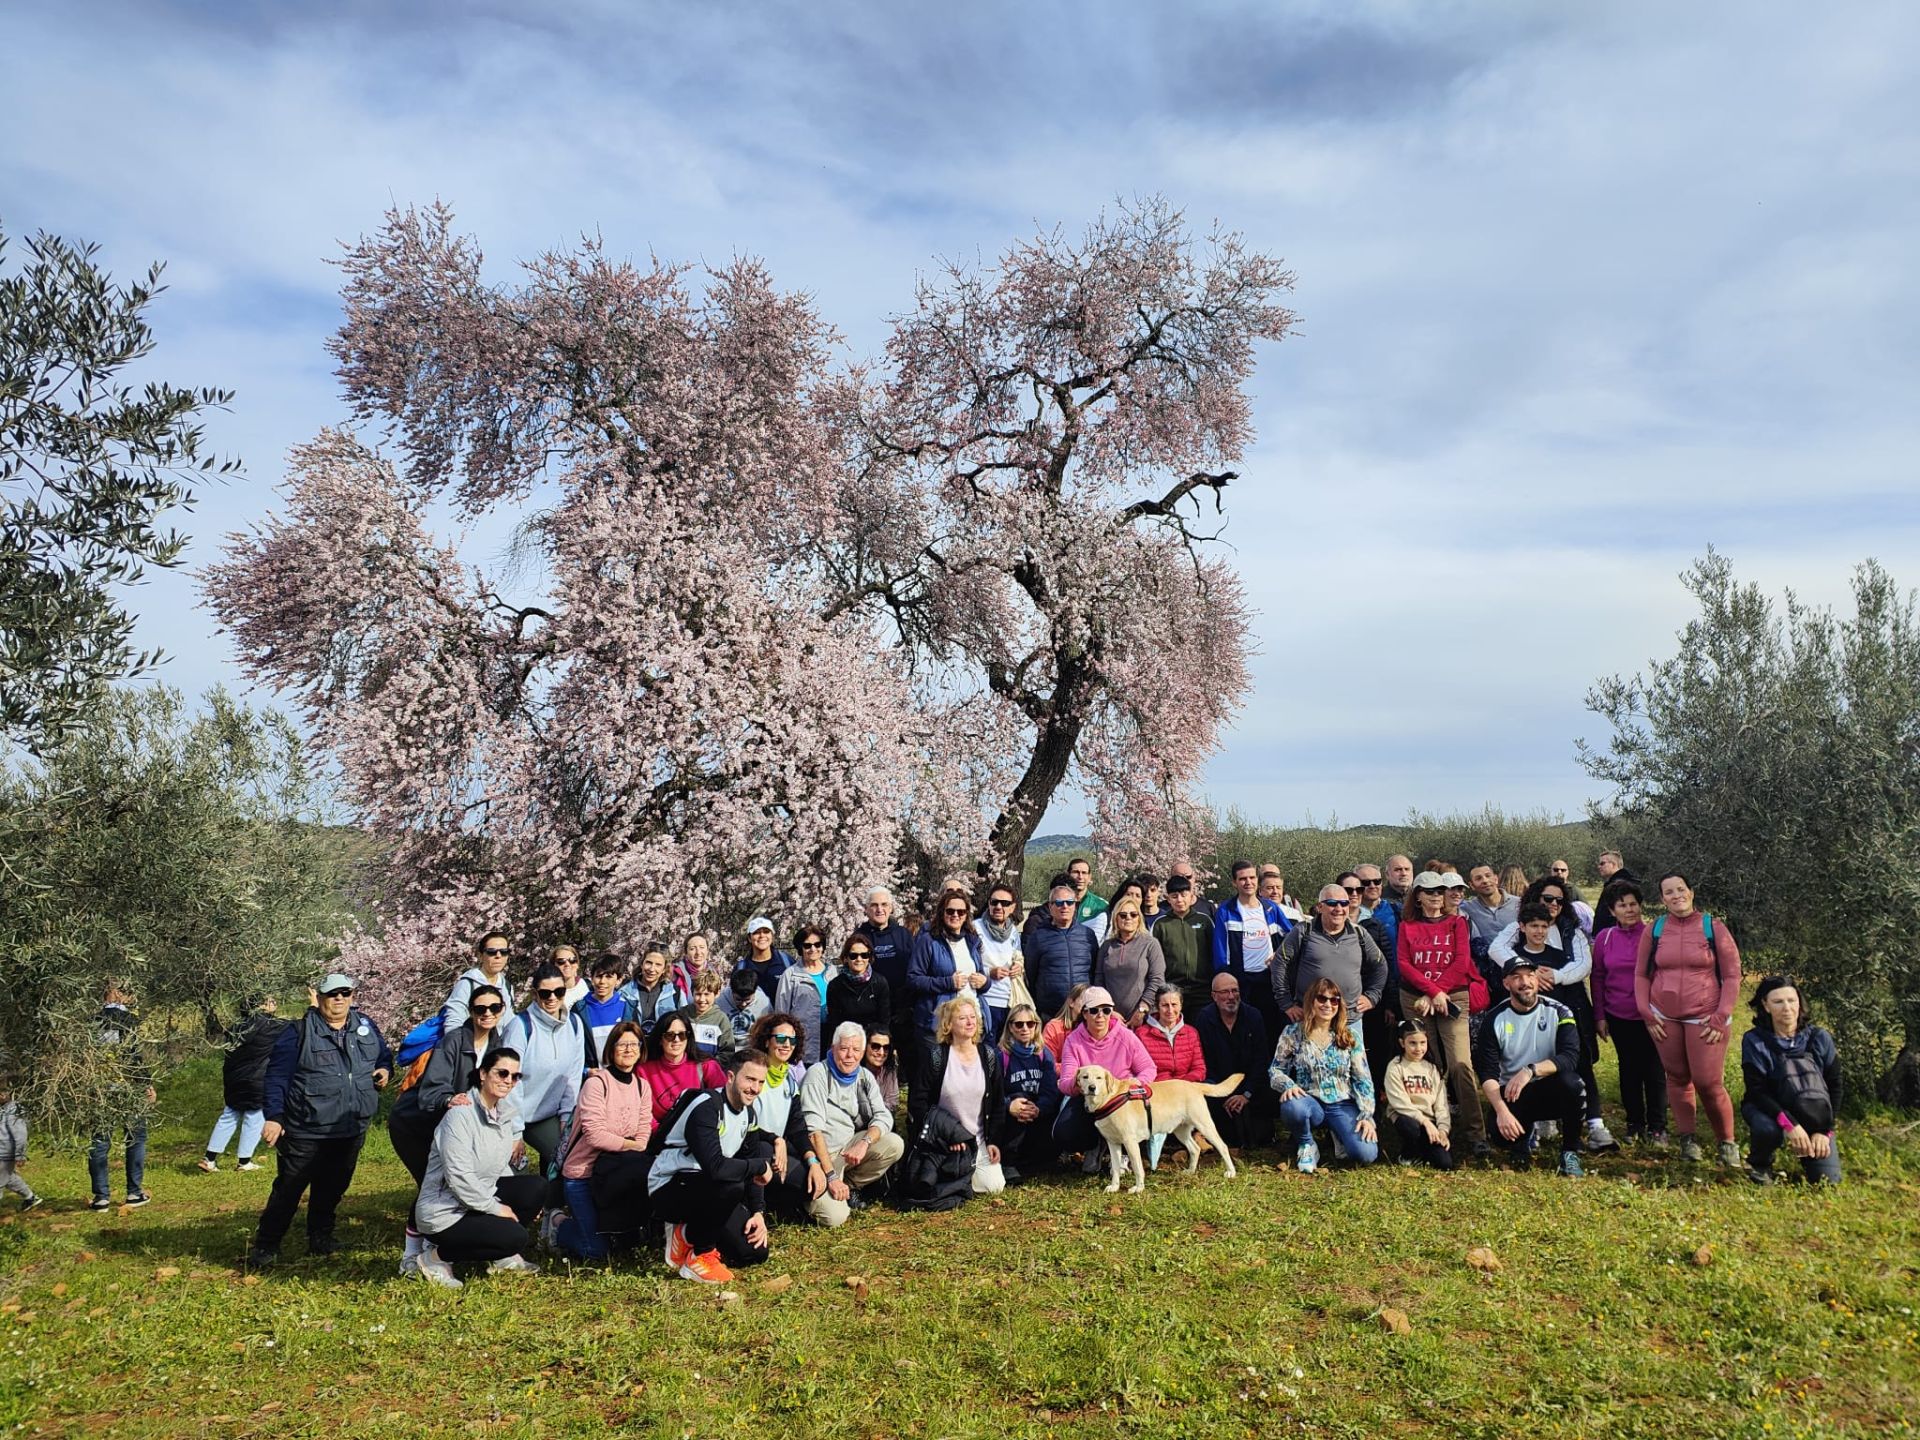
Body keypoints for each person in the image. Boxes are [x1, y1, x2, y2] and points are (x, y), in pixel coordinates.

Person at [251, 973, 393, 1266]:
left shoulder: (365, 1025)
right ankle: (266, 1245)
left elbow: (383, 1055)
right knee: (289, 1189)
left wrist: (384, 1070)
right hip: (306, 1129)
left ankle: (321, 1237)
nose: (339, 998)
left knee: (333, 1186)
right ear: (319, 997)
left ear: (352, 996)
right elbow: (277, 1076)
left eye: (345, 992)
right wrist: (274, 1117)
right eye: (332, 994)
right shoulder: (298, 1032)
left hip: (352, 1126)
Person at [387, 981, 506, 1276]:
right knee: (431, 1186)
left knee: (458, 1184)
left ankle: (440, 1248)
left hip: (453, 1127)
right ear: (471, 1011)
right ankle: (412, 1255)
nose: (487, 1014)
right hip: (416, 1123)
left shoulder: (496, 1044)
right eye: (480, 1009)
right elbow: (430, 1092)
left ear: (502, 1011)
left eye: (494, 1008)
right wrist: (449, 1098)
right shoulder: (452, 1041)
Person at [1635, 872, 1743, 1168]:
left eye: (1680, 889)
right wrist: (1646, 1011)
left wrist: (1721, 1016)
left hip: (1706, 1017)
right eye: (1668, 892)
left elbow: (1733, 976)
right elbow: (1641, 974)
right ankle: (1688, 1140)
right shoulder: (1654, 930)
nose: (1676, 895)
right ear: (1662, 899)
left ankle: (1727, 1142)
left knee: (1709, 1083)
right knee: (1678, 1078)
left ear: (1691, 893)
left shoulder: (1713, 927)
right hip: (1664, 1017)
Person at [411, 1048, 544, 1287]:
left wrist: (510, 1204)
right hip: (444, 1210)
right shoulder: (460, 1115)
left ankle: (497, 1254)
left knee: (535, 1188)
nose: (508, 1081)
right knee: (515, 1237)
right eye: (502, 1073)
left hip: (476, 1199)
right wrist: (496, 1208)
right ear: (483, 1074)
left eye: (515, 1076)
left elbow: (497, 1166)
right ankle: (435, 1258)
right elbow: (458, 1176)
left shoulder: (502, 1114)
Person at [1500, 890, 1616, 1153]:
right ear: (1522, 928)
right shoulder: (1514, 956)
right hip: (1526, 1025)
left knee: (1576, 1066)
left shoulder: (1560, 956)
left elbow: (1573, 982)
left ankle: (1589, 1124)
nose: (1539, 931)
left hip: (1561, 1021)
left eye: (1544, 926)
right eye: (1534, 926)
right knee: (1530, 1067)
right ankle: (1535, 1124)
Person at [648, 1049, 775, 1285]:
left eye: (760, 1082)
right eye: (749, 1079)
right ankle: (699, 1256)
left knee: (753, 1252)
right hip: (670, 1186)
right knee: (731, 1183)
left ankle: (685, 1235)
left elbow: (751, 1165)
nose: (755, 1088)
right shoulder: (707, 1106)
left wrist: (758, 1211)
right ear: (730, 1077)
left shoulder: (749, 1114)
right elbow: (716, 1167)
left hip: (711, 1188)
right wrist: (759, 1165)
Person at [1396, 872, 1489, 1157]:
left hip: (1452, 997)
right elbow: (1404, 963)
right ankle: (1431, 1129)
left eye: (1441, 890)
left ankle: (1476, 1133)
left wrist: (1437, 993)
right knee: (1427, 1063)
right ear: (1419, 895)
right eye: (1430, 890)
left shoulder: (1457, 923)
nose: (1437, 895)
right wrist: (1429, 992)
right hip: (1415, 998)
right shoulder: (1407, 926)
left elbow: (1462, 961)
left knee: (1460, 1063)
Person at [1473, 955, 1587, 1178]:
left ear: (1537, 979)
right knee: (1500, 1136)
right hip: (1514, 1094)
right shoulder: (1494, 1019)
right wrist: (1501, 1112)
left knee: (1573, 1084)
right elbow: (1487, 1073)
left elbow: (1570, 1057)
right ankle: (1521, 1141)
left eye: (1530, 975)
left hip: (1550, 1088)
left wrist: (1530, 1070)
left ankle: (1570, 1152)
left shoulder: (1559, 1011)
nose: (1524, 982)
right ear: (1506, 983)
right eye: (1516, 977)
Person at [553, 1020, 653, 1261]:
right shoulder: (596, 1084)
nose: (628, 1050)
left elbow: (643, 1130)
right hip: (583, 1175)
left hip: (615, 1173)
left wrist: (636, 1144)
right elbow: (594, 1134)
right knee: (596, 1251)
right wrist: (632, 1145)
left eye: (634, 1044)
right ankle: (559, 1224)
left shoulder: (642, 1087)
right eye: (622, 1044)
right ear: (611, 1048)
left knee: (624, 1244)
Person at [798, 1022, 907, 1223]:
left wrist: (864, 1142)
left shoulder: (864, 1076)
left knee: (894, 1143)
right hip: (822, 1156)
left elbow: (884, 1116)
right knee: (836, 1218)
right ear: (833, 1049)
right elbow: (813, 1132)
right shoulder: (818, 1074)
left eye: (856, 1050)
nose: (850, 1055)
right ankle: (811, 1197)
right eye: (844, 1049)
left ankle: (850, 1183)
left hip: (848, 1149)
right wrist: (830, 1175)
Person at [1270, 978, 1379, 1173]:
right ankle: (1306, 1144)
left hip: (1342, 1104)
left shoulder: (1349, 1036)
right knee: (1292, 1105)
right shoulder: (1293, 1032)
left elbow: (1363, 1080)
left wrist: (1366, 1115)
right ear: (1311, 1001)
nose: (1328, 1004)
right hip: (1309, 1102)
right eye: (1322, 998)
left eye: (1334, 1000)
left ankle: (1339, 1136)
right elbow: (1275, 1070)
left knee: (1366, 1154)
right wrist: (1288, 1085)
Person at [1741, 977, 1842, 1185]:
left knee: (1826, 1181)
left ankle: (1811, 1154)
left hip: (1813, 1113)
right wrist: (1791, 1125)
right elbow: (1757, 1091)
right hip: (1770, 1109)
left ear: (1800, 1003)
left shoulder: (1820, 1038)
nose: (1787, 1008)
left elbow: (1835, 1086)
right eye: (1778, 1002)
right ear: (1765, 1006)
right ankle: (1761, 1164)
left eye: (1791, 1000)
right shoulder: (1755, 1040)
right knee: (1766, 1129)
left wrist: (1824, 1130)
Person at [902, 998, 1005, 1204]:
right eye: (962, 1018)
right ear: (948, 1025)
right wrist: (947, 1136)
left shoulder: (989, 1056)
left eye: (972, 1017)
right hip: (944, 1142)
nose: (970, 1022)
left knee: (993, 1186)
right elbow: (919, 1102)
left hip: (978, 1140)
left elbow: (997, 1104)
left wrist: (993, 1141)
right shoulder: (936, 1057)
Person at [1590, 881, 1667, 1146]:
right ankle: (1634, 1123)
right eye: (1622, 905)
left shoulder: (1654, 935)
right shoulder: (1604, 938)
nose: (1629, 909)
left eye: (1633, 904)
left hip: (1653, 1016)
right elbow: (1598, 977)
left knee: (1654, 1071)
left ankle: (1658, 1128)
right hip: (1618, 1015)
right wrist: (1599, 1015)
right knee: (1629, 1071)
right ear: (1612, 910)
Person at [1051, 985, 1157, 1172]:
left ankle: (1125, 1154)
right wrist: (1081, 1084)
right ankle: (1095, 1146)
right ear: (1084, 1014)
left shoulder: (1126, 1036)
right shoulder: (1073, 1040)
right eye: (1094, 1010)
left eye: (1106, 1010)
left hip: (1121, 1097)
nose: (1100, 1015)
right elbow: (1066, 1081)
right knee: (1063, 1134)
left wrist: (1135, 1085)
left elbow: (1148, 1068)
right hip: (1088, 1098)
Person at [512, 963, 587, 1175]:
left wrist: (566, 1118)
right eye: (545, 993)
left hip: (545, 1114)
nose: (552, 998)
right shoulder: (520, 1026)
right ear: (535, 994)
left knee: (567, 1156)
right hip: (512, 1114)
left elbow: (572, 1076)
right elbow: (510, 1082)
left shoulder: (574, 1024)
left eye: (559, 992)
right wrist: (514, 1133)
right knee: (518, 1174)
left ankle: (553, 1205)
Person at [200, 995, 288, 1174]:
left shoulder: (236, 1027)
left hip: (233, 1079)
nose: (275, 1004)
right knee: (254, 1118)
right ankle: (244, 1161)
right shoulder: (271, 1026)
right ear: (260, 1006)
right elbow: (299, 1026)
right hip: (257, 1080)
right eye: (270, 1001)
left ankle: (209, 1159)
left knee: (229, 1115)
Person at [1275, 885, 1387, 1025]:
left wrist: (1372, 996)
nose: (1339, 909)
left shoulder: (1360, 934)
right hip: (1310, 1018)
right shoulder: (1303, 931)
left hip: (1350, 1020)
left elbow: (1380, 964)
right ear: (1320, 907)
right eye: (1332, 903)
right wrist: (1286, 1003)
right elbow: (1279, 962)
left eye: (1344, 903)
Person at [88, 981, 155, 1210]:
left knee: (99, 1142)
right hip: (128, 1087)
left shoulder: (92, 1021)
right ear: (116, 994)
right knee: (135, 1139)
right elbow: (133, 1054)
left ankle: (101, 1197)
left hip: (100, 1089)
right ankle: (134, 1193)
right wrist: (146, 1083)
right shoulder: (127, 1020)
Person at [1213, 859, 1292, 1040]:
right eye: (1242, 879)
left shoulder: (1270, 908)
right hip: (1241, 981)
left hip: (1268, 979)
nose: (1248, 882)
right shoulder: (1226, 910)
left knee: (1271, 1028)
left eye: (1252, 877)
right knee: (1244, 1031)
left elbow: (1292, 937)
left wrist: (1279, 956)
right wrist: (1225, 980)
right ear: (1234, 882)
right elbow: (1220, 949)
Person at [908, 888, 988, 1061]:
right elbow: (913, 979)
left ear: (967, 914)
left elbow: (981, 975)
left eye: (961, 911)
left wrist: (984, 982)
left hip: (969, 1023)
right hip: (938, 1024)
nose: (955, 915)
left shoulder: (972, 941)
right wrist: (947, 983)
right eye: (950, 911)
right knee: (937, 1080)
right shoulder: (928, 941)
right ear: (942, 913)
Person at [1194, 973, 1272, 1148]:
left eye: (1234, 991)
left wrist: (1246, 1094)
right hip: (1220, 1089)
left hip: (1250, 1089)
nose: (1231, 996)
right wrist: (1225, 1093)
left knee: (1261, 1133)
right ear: (1214, 996)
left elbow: (1262, 1060)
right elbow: (1205, 1062)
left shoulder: (1254, 1016)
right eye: (1224, 992)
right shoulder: (1204, 1019)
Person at [855, 886, 916, 1075]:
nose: (879, 909)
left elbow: (914, 969)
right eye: (874, 905)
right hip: (872, 1011)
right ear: (866, 909)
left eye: (884, 905)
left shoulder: (903, 935)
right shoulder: (860, 936)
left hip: (902, 1010)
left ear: (891, 908)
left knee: (907, 1064)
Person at [997, 1004, 1059, 1180]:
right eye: (1019, 1024)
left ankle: (1037, 1159)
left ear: (1036, 1026)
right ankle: (1008, 1162)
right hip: (1011, 1114)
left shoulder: (1044, 1054)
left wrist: (1038, 1108)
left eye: (1030, 1024)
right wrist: (1010, 1105)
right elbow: (992, 1095)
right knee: (1020, 1099)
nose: (1025, 1028)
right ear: (1010, 1027)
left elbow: (1050, 1092)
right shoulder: (1001, 1056)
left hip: (1037, 1112)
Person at [1383, 1022, 1453, 1169]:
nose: (1418, 1048)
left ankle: (1423, 1150)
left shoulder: (1432, 1068)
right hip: (1406, 1117)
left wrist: (1442, 1130)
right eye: (1412, 1043)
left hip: (1430, 1120)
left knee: (1444, 1163)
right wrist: (1424, 1122)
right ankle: (1408, 1154)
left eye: (1422, 1043)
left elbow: (1441, 1104)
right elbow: (1400, 1103)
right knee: (1411, 1128)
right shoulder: (1395, 1067)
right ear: (1402, 1043)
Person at [1093, 896, 1166, 1028]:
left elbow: (1157, 980)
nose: (1128, 918)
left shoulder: (1150, 944)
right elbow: (1099, 980)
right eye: (1123, 915)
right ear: (1116, 918)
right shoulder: (1106, 946)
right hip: (1111, 1018)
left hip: (1144, 1018)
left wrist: (1142, 1009)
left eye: (1133, 914)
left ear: (1139, 918)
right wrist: (1109, 1010)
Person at [1028, 883, 1097, 1020]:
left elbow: (1094, 969)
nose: (1065, 906)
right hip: (1051, 1013)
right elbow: (1031, 973)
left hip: (1084, 1011)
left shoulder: (1087, 935)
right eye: (1059, 903)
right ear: (1050, 906)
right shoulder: (1038, 936)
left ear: (1075, 905)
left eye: (1069, 902)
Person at [773, 924, 838, 1065]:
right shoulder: (791, 975)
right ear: (800, 949)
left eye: (817, 944)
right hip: (804, 1036)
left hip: (830, 1033)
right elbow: (781, 1011)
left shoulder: (832, 971)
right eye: (807, 945)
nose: (813, 949)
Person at [637, 1013, 725, 1114]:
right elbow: (642, 1111)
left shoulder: (707, 1066)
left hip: (698, 1126)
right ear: (660, 1039)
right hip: (659, 1128)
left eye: (682, 1035)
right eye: (670, 1035)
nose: (676, 1040)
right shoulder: (643, 1070)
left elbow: (722, 1102)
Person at [1153, 874, 1214, 1018]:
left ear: (1191, 896)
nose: (1179, 900)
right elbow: (1154, 959)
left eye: (1183, 895)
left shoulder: (1204, 920)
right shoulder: (1160, 924)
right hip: (1173, 990)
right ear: (1168, 899)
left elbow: (1215, 952)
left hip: (1202, 990)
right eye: (1174, 896)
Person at [971, 883, 1025, 1044]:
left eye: (1005, 903)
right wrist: (989, 973)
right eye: (994, 902)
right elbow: (966, 963)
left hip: (1009, 1001)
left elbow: (1018, 957)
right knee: (988, 1053)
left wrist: (1019, 967)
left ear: (1013, 907)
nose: (999, 906)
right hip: (985, 1000)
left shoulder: (1013, 931)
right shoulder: (976, 928)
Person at [826, 936, 892, 1042]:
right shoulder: (836, 986)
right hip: (847, 1041)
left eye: (864, 955)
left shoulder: (879, 983)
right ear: (846, 958)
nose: (859, 959)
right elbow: (834, 1022)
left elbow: (884, 1020)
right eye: (853, 956)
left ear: (869, 958)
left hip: (872, 1041)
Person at [442, 931, 513, 1027]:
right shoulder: (467, 983)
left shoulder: (506, 986)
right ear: (480, 956)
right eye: (491, 952)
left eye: (504, 952)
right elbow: (453, 1021)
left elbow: (509, 1022)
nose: (498, 956)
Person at [579, 954, 640, 1065]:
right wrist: (586, 1071)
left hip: (620, 1074)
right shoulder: (580, 1009)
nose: (602, 981)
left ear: (619, 980)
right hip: (592, 1075)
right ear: (592, 978)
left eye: (608, 977)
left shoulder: (628, 1009)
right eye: (598, 976)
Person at [1135, 988, 1205, 1083]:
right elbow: (1139, 1070)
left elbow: (1199, 1068)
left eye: (1174, 1005)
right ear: (1157, 1007)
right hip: (1158, 1090)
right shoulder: (1141, 1034)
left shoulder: (1191, 1032)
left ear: (1181, 1006)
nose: (1170, 1010)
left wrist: (1183, 1084)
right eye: (1165, 1005)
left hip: (1186, 1088)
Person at [618, 947, 685, 1036]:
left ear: (664, 969)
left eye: (658, 965)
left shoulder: (675, 993)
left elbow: (684, 1024)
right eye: (649, 963)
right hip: (634, 1046)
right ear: (642, 964)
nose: (652, 969)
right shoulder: (625, 993)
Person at [0, 1079, 41, 1212]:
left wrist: (20, 1154)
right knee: (8, 1177)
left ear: (3, 1095)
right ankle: (30, 1197)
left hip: (5, 1153)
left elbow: (20, 1134)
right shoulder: (3, 1109)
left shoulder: (14, 1110)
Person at [1461, 864, 1520, 948]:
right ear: (1472, 885)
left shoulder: (1519, 903)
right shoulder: (1467, 908)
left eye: (1488, 876)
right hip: (1487, 959)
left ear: (1496, 879)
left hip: (1519, 958)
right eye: (1478, 878)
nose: (1485, 880)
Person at [736, 917, 792, 1002]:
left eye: (766, 932)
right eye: (756, 933)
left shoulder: (786, 962)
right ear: (749, 938)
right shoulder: (741, 967)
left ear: (772, 936)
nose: (762, 935)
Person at [684, 966, 730, 1062]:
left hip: (708, 1072)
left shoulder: (721, 1019)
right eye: (698, 994)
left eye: (707, 994)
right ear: (692, 993)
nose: (702, 999)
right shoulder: (683, 1014)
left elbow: (727, 1052)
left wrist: (711, 1067)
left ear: (717, 994)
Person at [1040, 984, 1089, 1062]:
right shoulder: (1053, 1027)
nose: (1088, 1005)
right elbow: (1048, 1062)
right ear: (1071, 1002)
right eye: (1085, 1000)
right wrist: (1071, 1069)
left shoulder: (1094, 1027)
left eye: (1091, 1001)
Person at [861, 1025, 902, 1113]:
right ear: (864, 1046)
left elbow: (893, 1103)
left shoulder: (890, 1068)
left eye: (886, 1047)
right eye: (875, 1046)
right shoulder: (852, 1070)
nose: (881, 1052)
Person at [1168, 858, 1216, 924]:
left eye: (1188, 877)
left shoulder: (1208, 908)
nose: (1185, 880)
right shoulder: (1163, 909)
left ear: (1194, 877)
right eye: (1179, 878)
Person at [1068, 856, 1106, 928]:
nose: (1080, 877)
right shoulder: (1059, 904)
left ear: (1089, 877)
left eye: (1084, 873)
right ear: (1068, 874)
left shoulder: (1101, 906)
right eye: (1076, 872)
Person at [548, 943, 589, 1008]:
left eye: (572, 960)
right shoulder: (548, 994)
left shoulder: (589, 986)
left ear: (577, 965)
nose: (567, 964)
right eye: (561, 961)